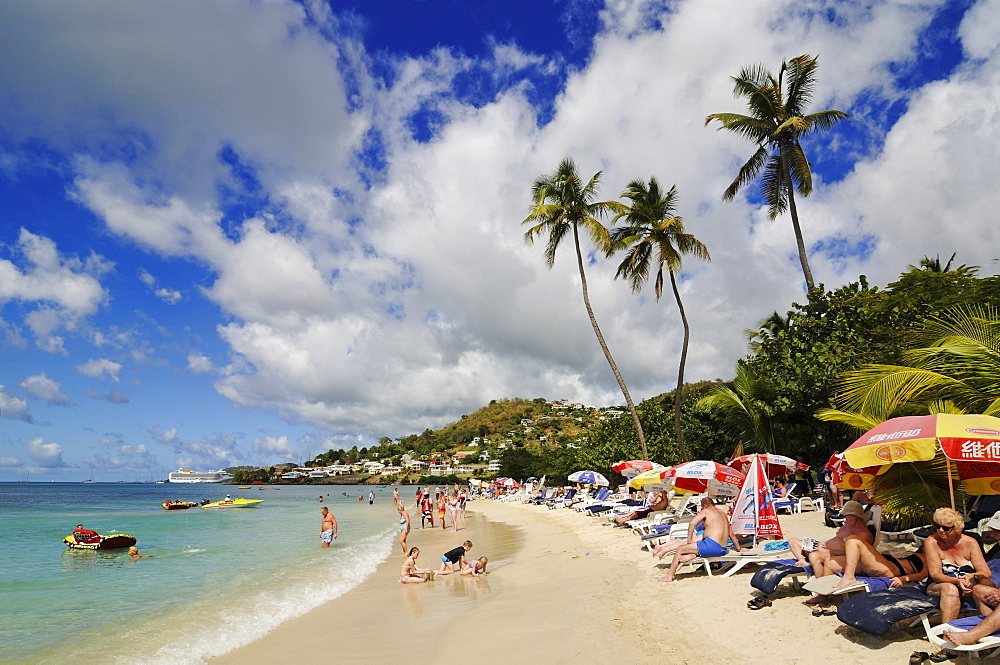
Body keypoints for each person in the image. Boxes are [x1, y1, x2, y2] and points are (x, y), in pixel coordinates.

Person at [925, 506, 996, 623]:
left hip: (968, 582)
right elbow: (935, 574)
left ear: (957, 528)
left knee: (986, 584)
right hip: (940, 583)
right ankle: (947, 630)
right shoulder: (931, 542)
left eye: (946, 528)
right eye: (937, 526)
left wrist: (972, 576)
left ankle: (991, 625)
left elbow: (986, 572)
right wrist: (957, 581)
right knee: (950, 589)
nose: (941, 530)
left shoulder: (970, 542)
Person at [658, 497, 742, 582]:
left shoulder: (706, 511)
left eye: (701, 507)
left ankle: (669, 576)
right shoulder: (722, 513)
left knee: (680, 549)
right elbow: (731, 534)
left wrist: (689, 540)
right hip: (723, 549)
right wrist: (739, 549)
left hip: (711, 546)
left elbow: (692, 523)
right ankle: (692, 554)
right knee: (698, 544)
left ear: (704, 505)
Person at [787, 500, 872, 574]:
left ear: (855, 516)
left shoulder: (863, 534)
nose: (844, 517)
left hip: (832, 554)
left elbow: (855, 553)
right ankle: (802, 560)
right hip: (821, 546)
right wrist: (822, 547)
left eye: (847, 515)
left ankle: (820, 584)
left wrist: (826, 550)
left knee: (814, 555)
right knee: (793, 541)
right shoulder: (847, 525)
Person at [830, 537, 927, 590]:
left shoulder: (928, 558)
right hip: (884, 562)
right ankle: (822, 598)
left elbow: (922, 575)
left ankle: (849, 577)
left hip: (892, 569)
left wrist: (902, 579)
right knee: (829, 562)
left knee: (853, 540)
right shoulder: (916, 552)